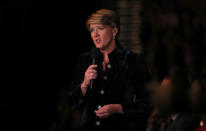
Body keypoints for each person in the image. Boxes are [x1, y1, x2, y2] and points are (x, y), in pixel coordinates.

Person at [50, 9, 151, 131]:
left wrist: (119, 108)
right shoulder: (85, 60)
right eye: (92, 30)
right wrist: (85, 84)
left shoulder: (133, 61)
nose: (95, 34)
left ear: (114, 31)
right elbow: (72, 103)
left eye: (100, 28)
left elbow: (147, 104)